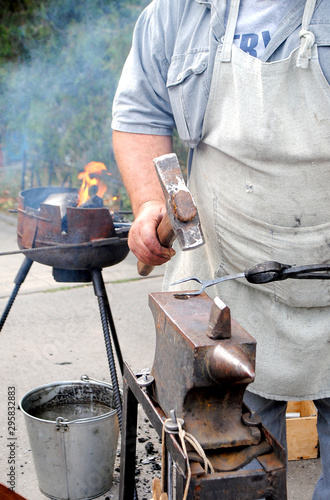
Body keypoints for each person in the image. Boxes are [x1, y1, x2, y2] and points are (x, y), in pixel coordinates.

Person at [111, 0, 330, 497]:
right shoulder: (177, 11)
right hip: (226, 286)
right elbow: (141, 112)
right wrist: (150, 203)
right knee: (227, 472)